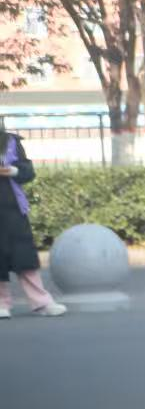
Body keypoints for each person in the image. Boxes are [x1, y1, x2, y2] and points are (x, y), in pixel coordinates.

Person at [0, 119, 68, 319]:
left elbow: (28, 171)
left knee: (24, 256)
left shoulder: (11, 142)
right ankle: (1, 304)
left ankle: (41, 302)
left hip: (13, 209)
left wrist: (14, 171)